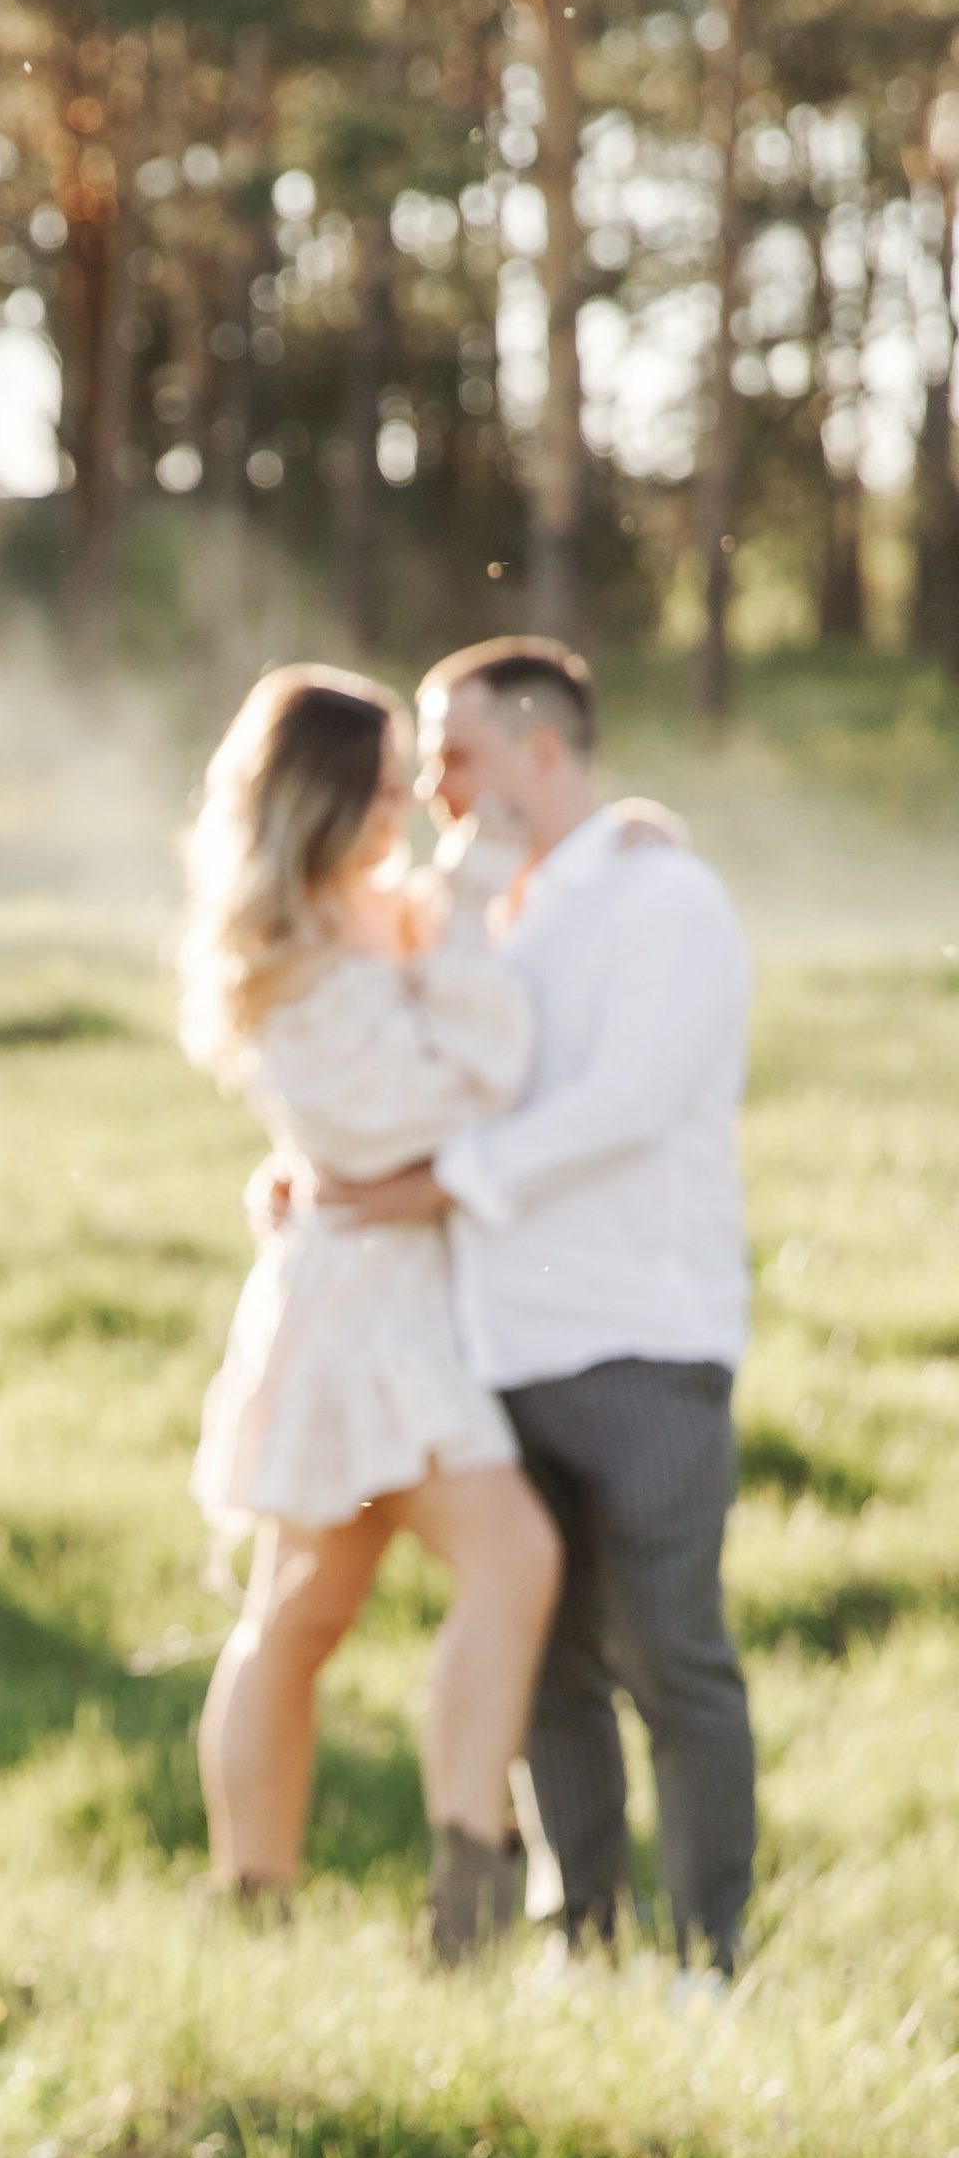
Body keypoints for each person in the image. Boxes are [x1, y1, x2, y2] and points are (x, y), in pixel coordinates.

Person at [304, 639, 756, 1978]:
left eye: (457, 754)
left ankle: (709, 1959)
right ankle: (588, 1934)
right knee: (550, 1664)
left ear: (542, 751)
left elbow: (632, 1101)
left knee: (671, 1655)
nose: (435, 787)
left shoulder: (665, 898)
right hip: (501, 1341)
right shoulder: (488, 903)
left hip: (642, 1340)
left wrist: (443, 1183)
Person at [181, 663, 564, 1957]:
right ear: (323, 800)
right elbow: (472, 1083)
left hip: (409, 1307)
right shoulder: (288, 959)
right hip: (355, 1319)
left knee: (327, 1606)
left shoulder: (366, 911)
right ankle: (262, 1899)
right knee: (309, 1612)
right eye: (388, 783)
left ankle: (456, 1903)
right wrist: (456, 913)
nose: (412, 803)